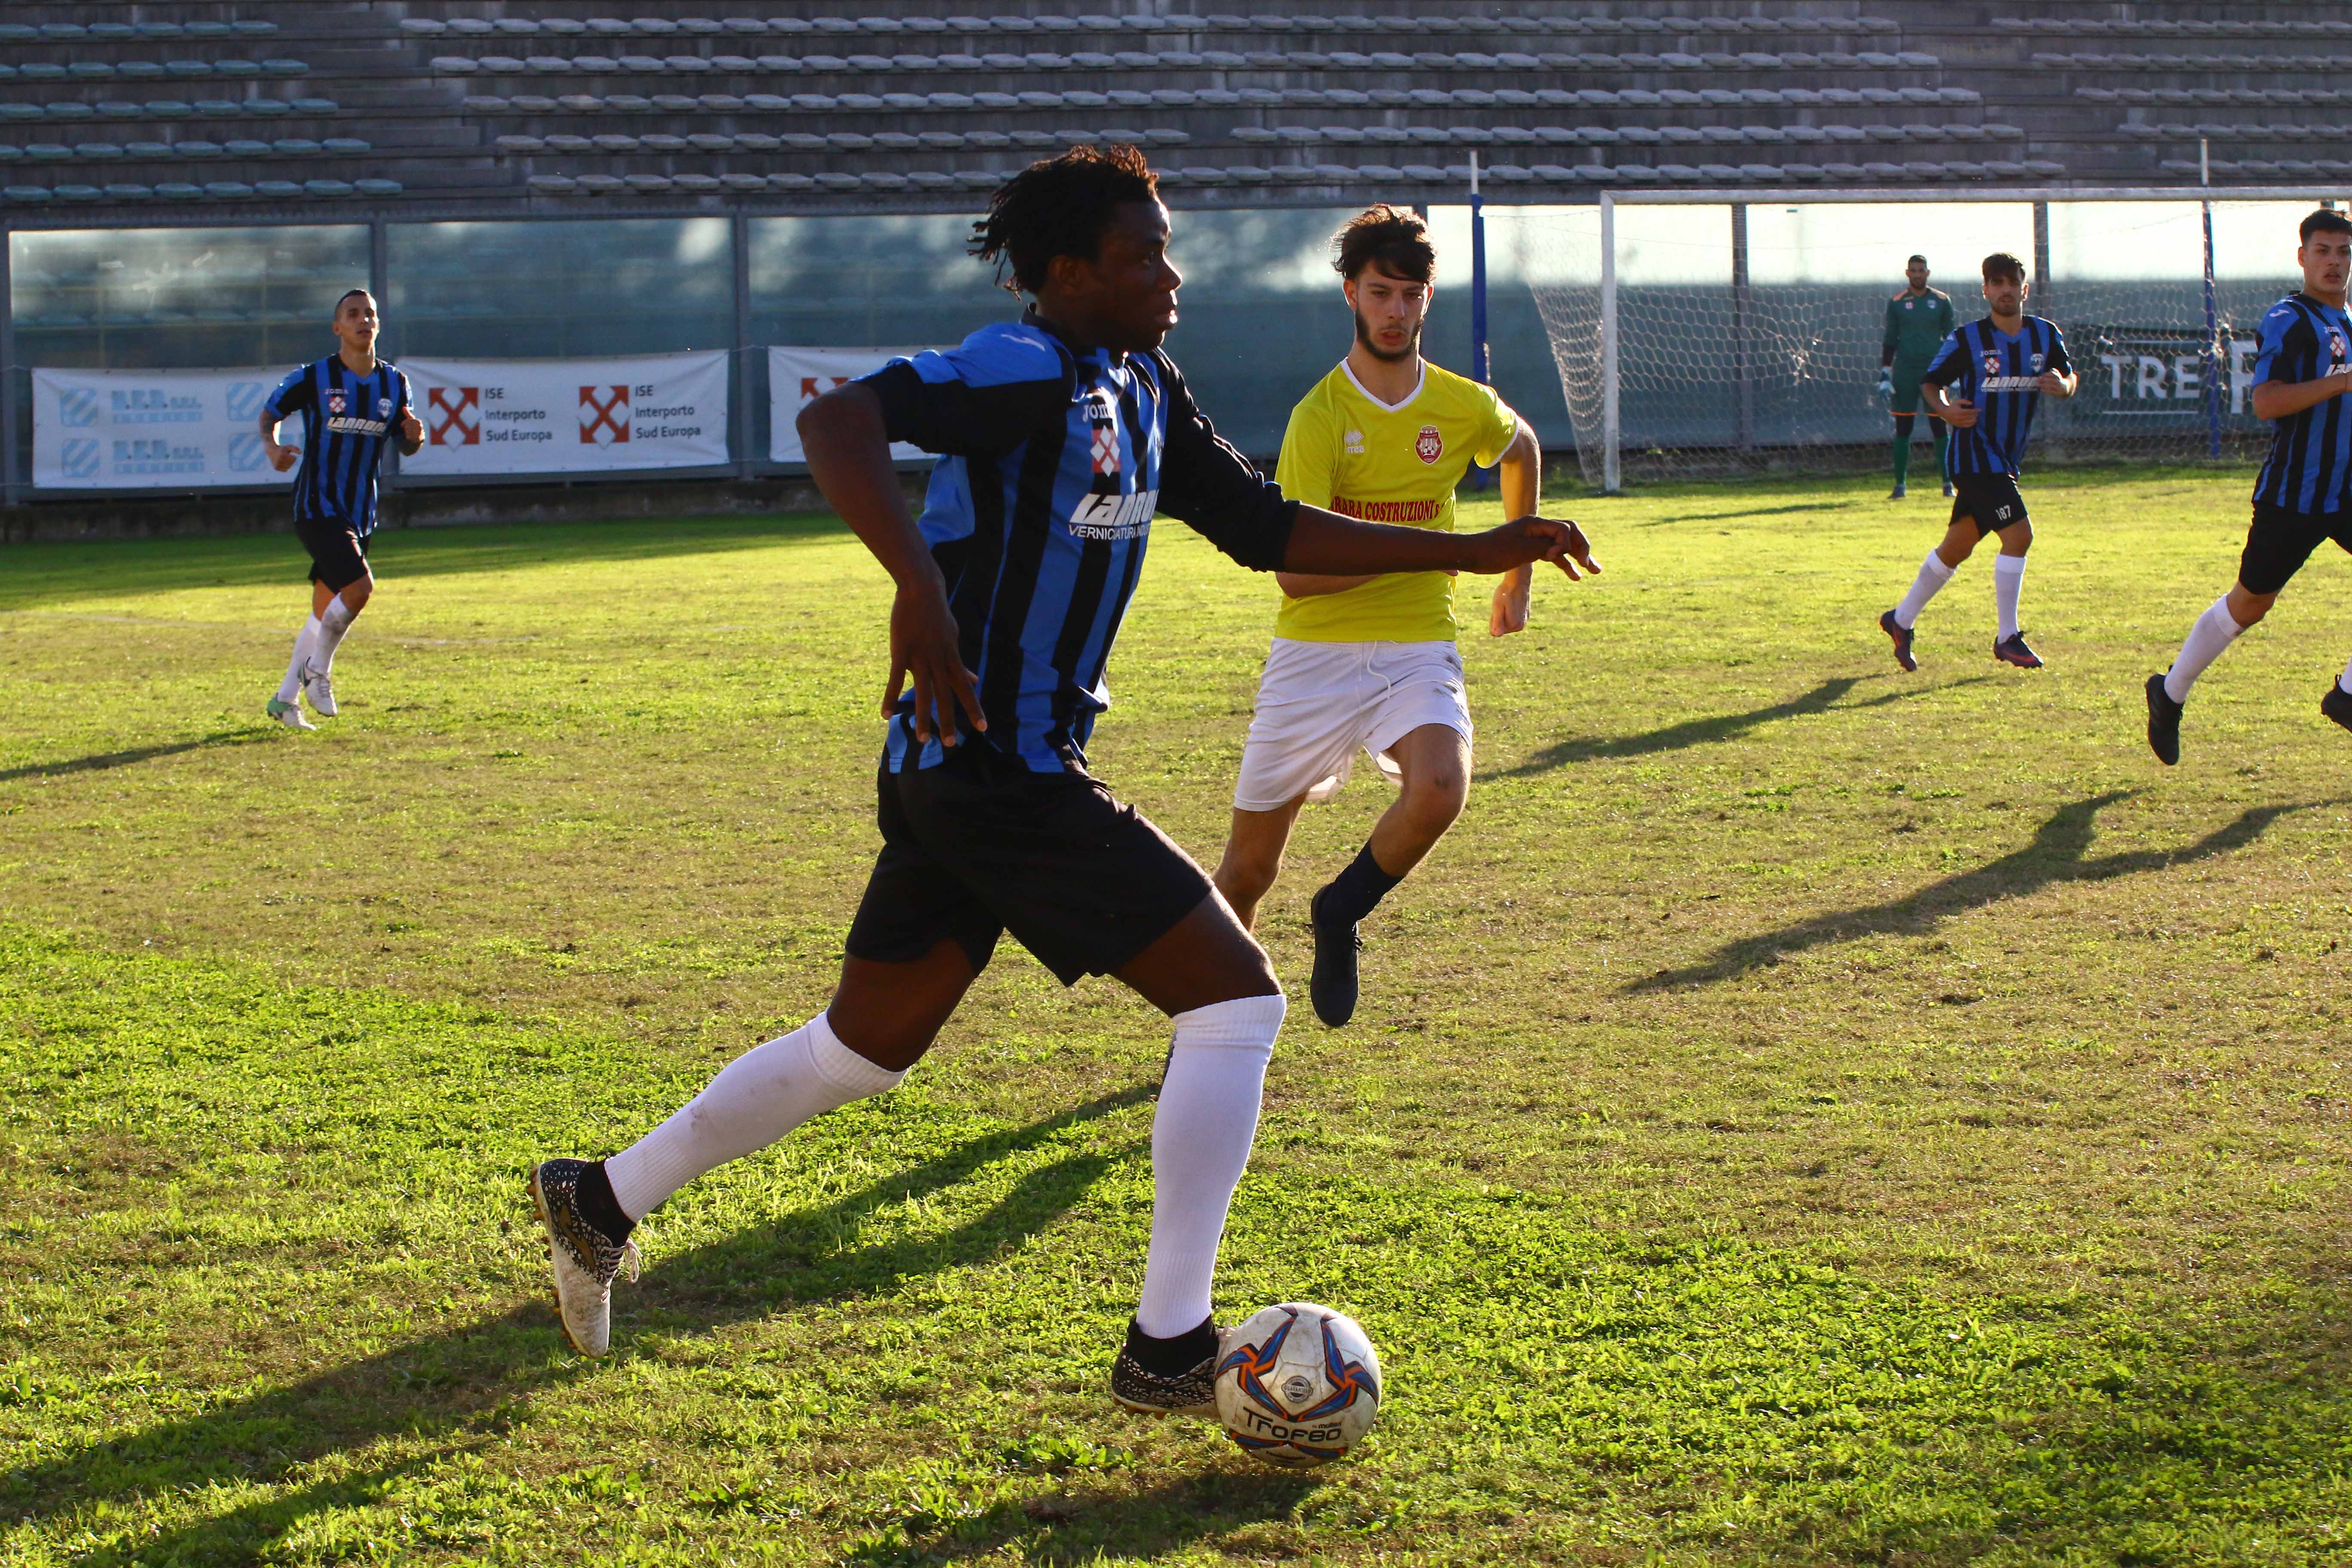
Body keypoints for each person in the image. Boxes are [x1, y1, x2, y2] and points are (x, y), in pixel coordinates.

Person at [524, 147, 1598, 1414]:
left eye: (1167, 251)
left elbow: (1261, 524)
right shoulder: (1024, 368)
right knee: (1237, 1001)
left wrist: (1471, 551)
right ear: (1072, 273)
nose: (1171, 275)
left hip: (970, 771)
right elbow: (837, 421)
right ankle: (1168, 1347)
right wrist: (917, 586)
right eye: (1145, 255)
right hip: (998, 766)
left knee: (861, 1048)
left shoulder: (1142, 384)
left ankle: (598, 1198)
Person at [1209, 205, 1574, 1030]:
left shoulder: (1457, 403)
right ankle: (1213, 1025)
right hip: (1313, 657)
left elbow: (1520, 449)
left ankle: (1339, 910)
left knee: (1440, 787)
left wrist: (1514, 578)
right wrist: (1442, 549)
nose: (1395, 310)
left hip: (1417, 642)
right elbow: (1296, 574)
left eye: (1410, 295)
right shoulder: (1320, 416)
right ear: (1351, 294)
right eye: (1379, 292)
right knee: (1247, 871)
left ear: (1427, 300)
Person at [2147, 209, 2352, 763]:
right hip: (2295, 494)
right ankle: (2170, 691)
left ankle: (2348, 696)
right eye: (2323, 251)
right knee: (2251, 603)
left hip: (2345, 491)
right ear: (2303, 257)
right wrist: (2342, 382)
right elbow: (2266, 402)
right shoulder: (2289, 318)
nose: (2334, 262)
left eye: (2343, 252)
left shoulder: (2348, 321)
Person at [1878, 252, 2076, 674]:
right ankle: (2007, 637)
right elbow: (1931, 383)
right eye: (1997, 283)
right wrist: (1946, 411)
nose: (2005, 290)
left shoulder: (2045, 334)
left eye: (2013, 282)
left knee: (1957, 547)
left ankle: (1901, 619)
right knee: (2019, 536)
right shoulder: (1968, 339)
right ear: (1985, 290)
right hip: (1973, 457)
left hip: (2005, 459)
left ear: (2025, 289)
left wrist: (2063, 385)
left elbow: (2069, 376)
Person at [258, 288, 420, 731]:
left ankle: (284, 700)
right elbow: (270, 415)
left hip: (360, 512)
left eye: (370, 314)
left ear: (378, 325)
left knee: (322, 612)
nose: (363, 320)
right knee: (361, 589)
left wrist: (415, 436)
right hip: (317, 506)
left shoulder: (395, 383)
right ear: (337, 327)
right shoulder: (314, 377)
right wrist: (272, 448)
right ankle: (318, 673)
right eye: (353, 314)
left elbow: (406, 442)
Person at [1879, 253, 1956, 501]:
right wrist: (1885, 373)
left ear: (1927, 273)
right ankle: (1900, 485)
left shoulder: (1942, 301)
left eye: (1921, 270)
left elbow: (1952, 338)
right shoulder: (1897, 303)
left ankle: (1948, 484)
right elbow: (1890, 339)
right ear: (1907, 273)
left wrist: (1954, 372)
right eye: (1913, 270)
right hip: (1905, 372)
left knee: (1939, 427)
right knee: (1904, 428)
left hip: (1934, 372)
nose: (1917, 274)